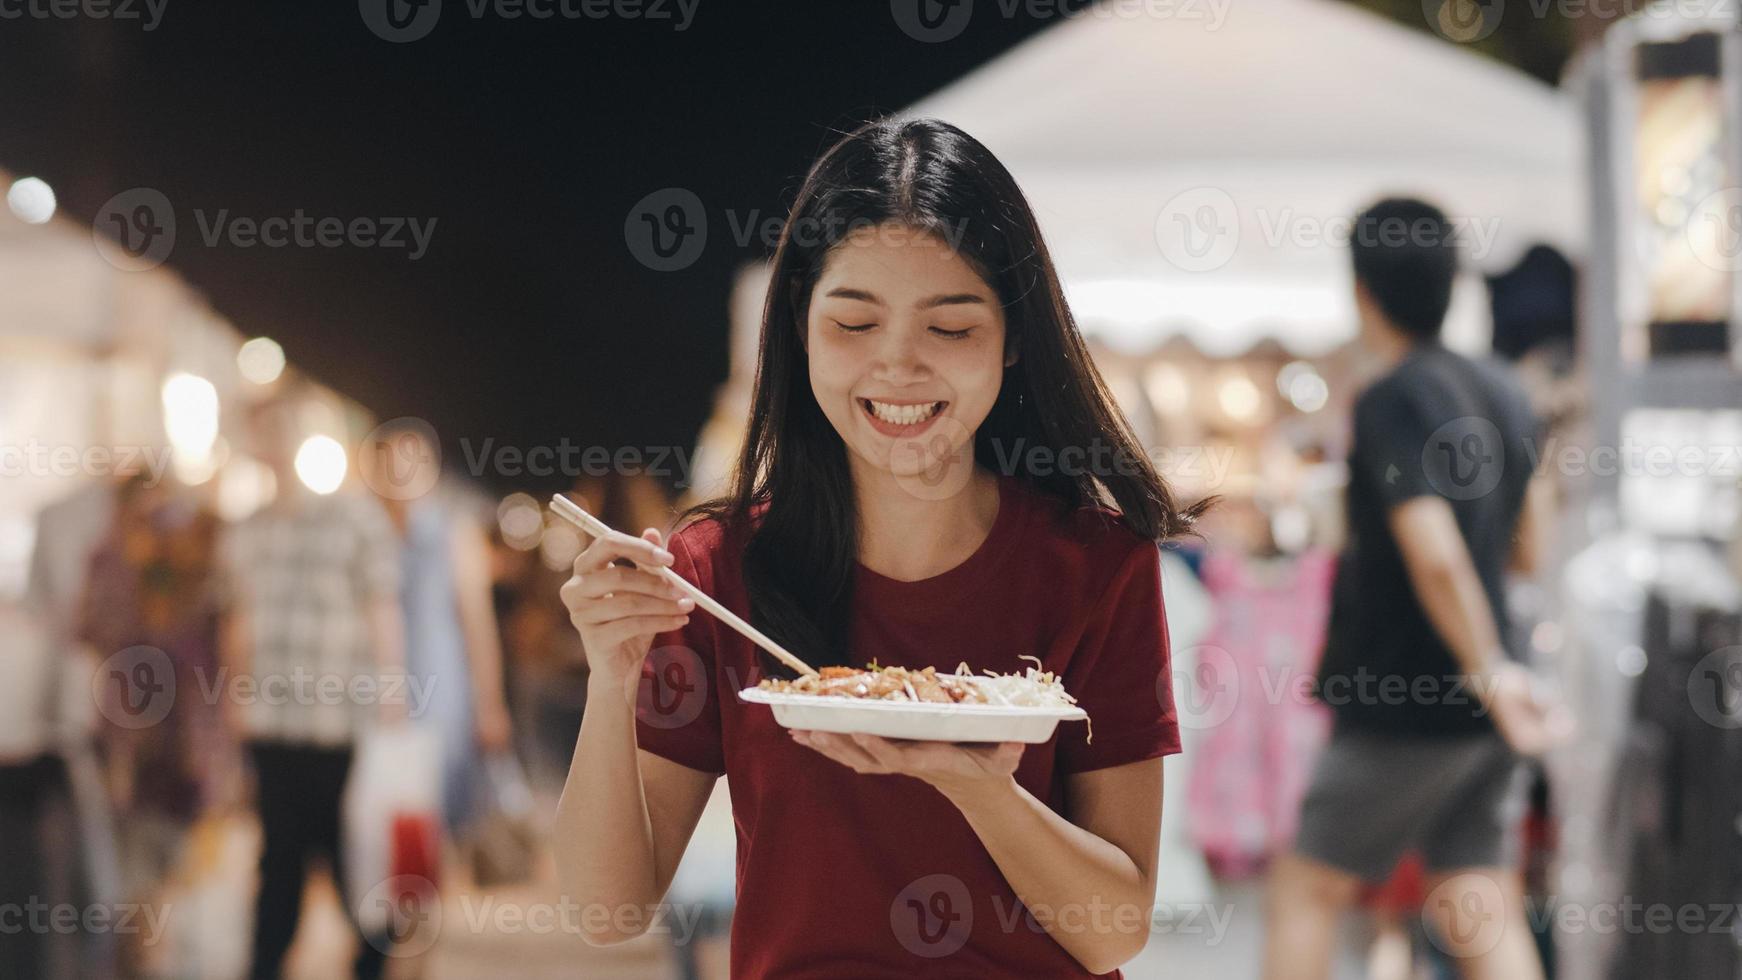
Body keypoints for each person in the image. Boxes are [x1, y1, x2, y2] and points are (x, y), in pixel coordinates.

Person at [556, 117, 1200, 977]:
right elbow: (607, 912)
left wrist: (978, 786)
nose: (897, 367)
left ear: (1013, 339)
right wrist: (611, 672)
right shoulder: (715, 570)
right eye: (854, 324)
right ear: (799, 328)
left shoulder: (1095, 566)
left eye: (952, 328)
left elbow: (1115, 927)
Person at [1262, 198, 1570, 980]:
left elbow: (1432, 553)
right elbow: (1530, 545)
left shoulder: (1394, 397)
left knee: (1306, 887)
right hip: (1487, 693)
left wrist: (1484, 668)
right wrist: (1498, 668)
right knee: (1477, 899)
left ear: (1362, 289)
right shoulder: (1504, 391)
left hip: (1410, 694)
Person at [218, 393, 407, 980]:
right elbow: (238, 620)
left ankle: (372, 962)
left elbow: (382, 606)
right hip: (274, 725)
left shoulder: (354, 519)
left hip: (340, 723)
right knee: (279, 860)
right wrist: (235, 694)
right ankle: (267, 962)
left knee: (354, 854)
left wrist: (393, 688)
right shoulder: (244, 530)